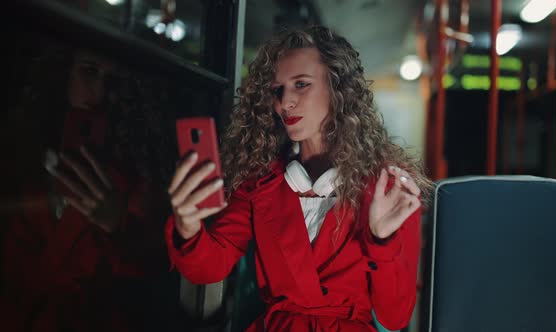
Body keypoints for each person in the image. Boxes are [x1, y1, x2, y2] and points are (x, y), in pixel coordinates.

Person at [166, 26, 432, 331]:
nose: (285, 102)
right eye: (277, 90)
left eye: (301, 84)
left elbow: (395, 317)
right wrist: (187, 228)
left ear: (338, 89)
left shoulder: (389, 188)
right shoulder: (259, 182)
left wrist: (381, 241)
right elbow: (209, 266)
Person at [1, 46, 171, 332]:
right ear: (65, 74)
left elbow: (149, 285)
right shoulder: (21, 159)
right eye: (89, 71)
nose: (100, 92)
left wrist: (119, 224)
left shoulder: (138, 181)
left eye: (114, 81)